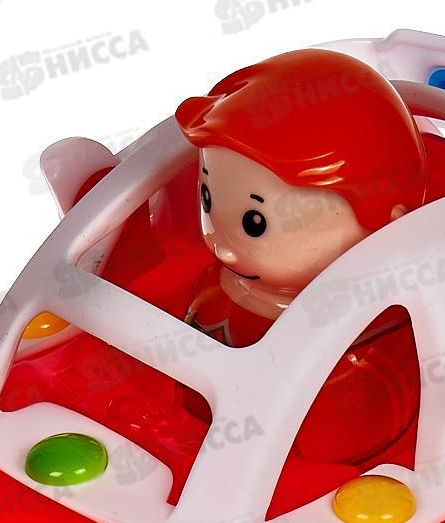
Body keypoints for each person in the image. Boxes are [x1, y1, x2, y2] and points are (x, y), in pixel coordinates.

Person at [174, 49, 428, 347]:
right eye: (207, 198)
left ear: (388, 228)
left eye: (255, 223)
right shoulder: (214, 284)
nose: (224, 249)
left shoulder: (371, 323)